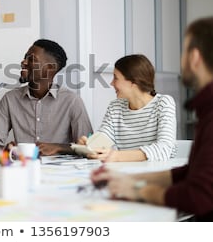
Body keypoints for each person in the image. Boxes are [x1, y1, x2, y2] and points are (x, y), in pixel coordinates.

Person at [91, 17, 213, 221]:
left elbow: (199, 195)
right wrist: (133, 180)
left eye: (183, 51)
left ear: (195, 58)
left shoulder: (199, 109)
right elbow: (192, 173)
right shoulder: (206, 108)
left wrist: (139, 191)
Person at [0, 39, 93, 156]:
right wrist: (4, 150)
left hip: (59, 172)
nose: (23, 62)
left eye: (31, 59)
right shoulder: (10, 99)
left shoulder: (71, 101)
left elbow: (89, 147)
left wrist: (59, 148)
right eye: (25, 57)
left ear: (50, 68)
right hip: (22, 168)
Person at [78, 54, 177, 162]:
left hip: (157, 174)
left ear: (134, 82)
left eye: (116, 78)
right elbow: (103, 138)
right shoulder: (115, 107)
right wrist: (89, 146)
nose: (111, 83)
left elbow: (164, 148)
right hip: (126, 173)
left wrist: (117, 156)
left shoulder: (163, 103)